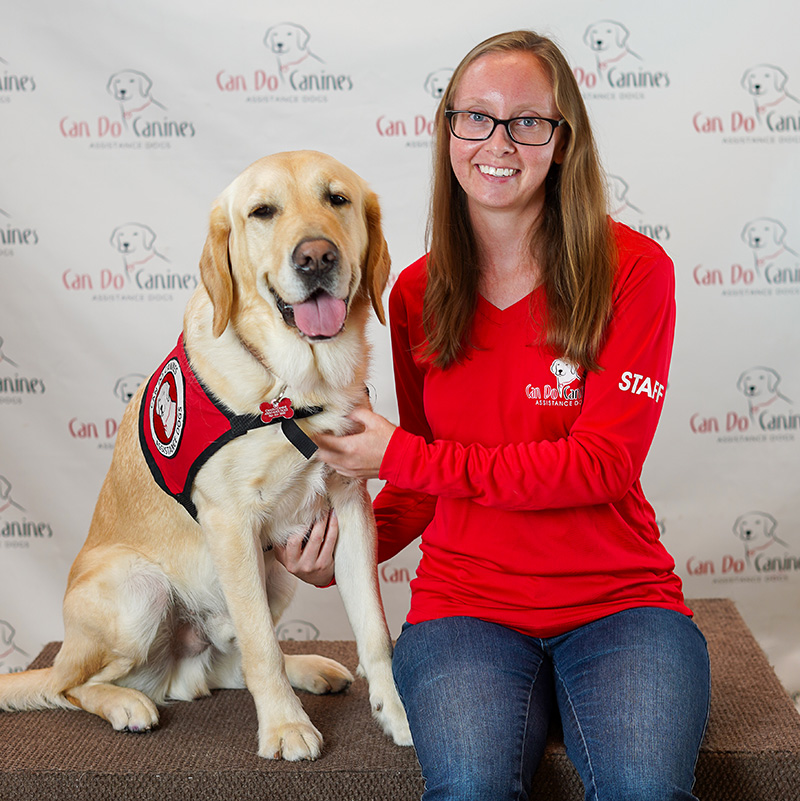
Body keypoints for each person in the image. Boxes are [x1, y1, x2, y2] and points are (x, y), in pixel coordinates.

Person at [275, 29, 710, 801]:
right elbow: (418, 483)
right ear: (448, 132)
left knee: (645, 790)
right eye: (475, 117)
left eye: (526, 121)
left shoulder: (636, 271)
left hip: (622, 604)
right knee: (469, 789)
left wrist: (400, 456)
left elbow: (602, 465)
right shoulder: (413, 292)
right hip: (463, 610)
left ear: (561, 139)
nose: (498, 141)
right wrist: (339, 547)